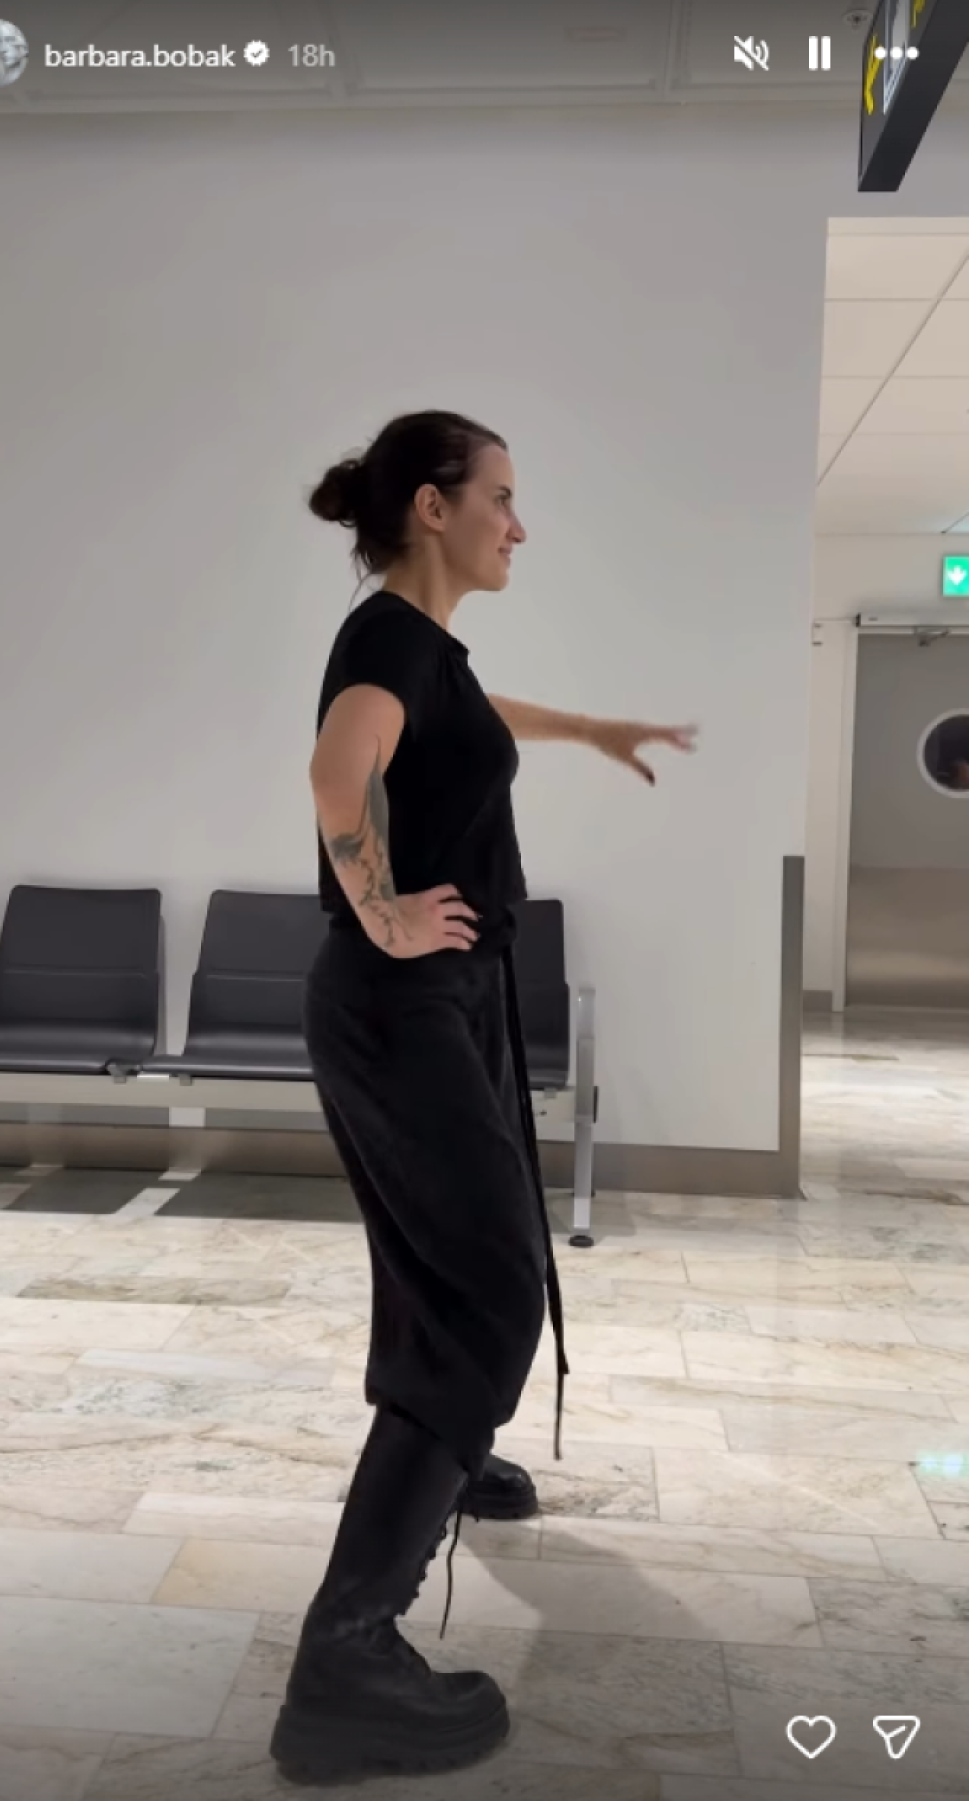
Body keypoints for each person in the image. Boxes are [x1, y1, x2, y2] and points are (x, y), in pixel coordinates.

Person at [270, 410, 697, 1785]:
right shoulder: (390, 641)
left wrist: (585, 728)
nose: (520, 524)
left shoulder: (423, 647)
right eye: (501, 498)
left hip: (446, 1002)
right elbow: (340, 769)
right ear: (432, 505)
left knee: (446, 1265)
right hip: (400, 1006)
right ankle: (345, 1661)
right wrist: (380, 906)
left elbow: (460, 723)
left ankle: (449, 1455)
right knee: (488, 1291)